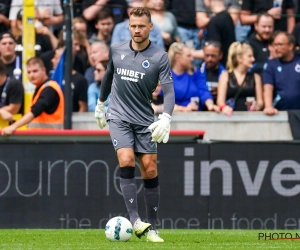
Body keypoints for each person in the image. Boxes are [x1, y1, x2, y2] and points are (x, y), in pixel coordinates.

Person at [94, 7, 175, 242]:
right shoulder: (117, 50)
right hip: (118, 115)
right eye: (133, 25)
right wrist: (101, 104)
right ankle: (135, 220)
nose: (137, 30)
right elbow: (108, 76)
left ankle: (153, 228)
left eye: (141, 26)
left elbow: (169, 92)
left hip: (144, 120)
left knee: (150, 169)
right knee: (127, 160)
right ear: (128, 26)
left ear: (151, 27)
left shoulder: (160, 56)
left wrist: (166, 117)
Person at [1, 57, 64, 135]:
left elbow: (35, 111)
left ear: (44, 70)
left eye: (35, 71)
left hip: (50, 139)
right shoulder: (41, 88)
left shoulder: (49, 88)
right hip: (41, 138)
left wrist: (13, 127)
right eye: (29, 72)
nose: (32, 75)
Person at [168, 42, 219, 112]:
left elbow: (203, 91)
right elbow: (162, 102)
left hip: (196, 115)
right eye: (188, 56)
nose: (192, 59)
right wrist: (183, 109)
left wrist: (210, 105)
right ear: (178, 58)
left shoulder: (195, 72)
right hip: (174, 116)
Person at [217, 42, 264, 116]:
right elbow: (220, 101)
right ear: (239, 58)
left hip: (250, 117)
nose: (253, 59)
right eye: (249, 56)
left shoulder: (256, 77)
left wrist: (256, 107)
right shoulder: (225, 76)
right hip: (230, 116)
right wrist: (224, 107)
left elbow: (260, 102)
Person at [263, 32, 300, 115]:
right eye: (274, 45)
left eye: (280, 45)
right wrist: (268, 106)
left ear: (290, 46)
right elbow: (268, 87)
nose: (276, 48)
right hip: (280, 112)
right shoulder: (271, 65)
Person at [203, 0, 236, 67]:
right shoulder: (228, 17)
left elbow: (213, 52)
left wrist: (191, 53)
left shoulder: (214, 22)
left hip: (219, 70)